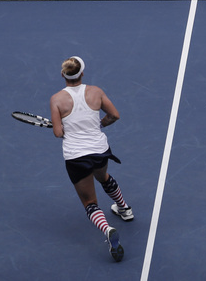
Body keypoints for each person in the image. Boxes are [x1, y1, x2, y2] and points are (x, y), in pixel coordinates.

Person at [50, 56, 134, 261]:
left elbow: (59, 133)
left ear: (63, 75)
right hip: (99, 150)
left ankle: (107, 230)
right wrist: (100, 124)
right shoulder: (96, 91)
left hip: (77, 157)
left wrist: (61, 125)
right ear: (82, 74)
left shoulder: (56, 100)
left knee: (90, 202)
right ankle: (124, 209)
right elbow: (114, 115)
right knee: (103, 176)